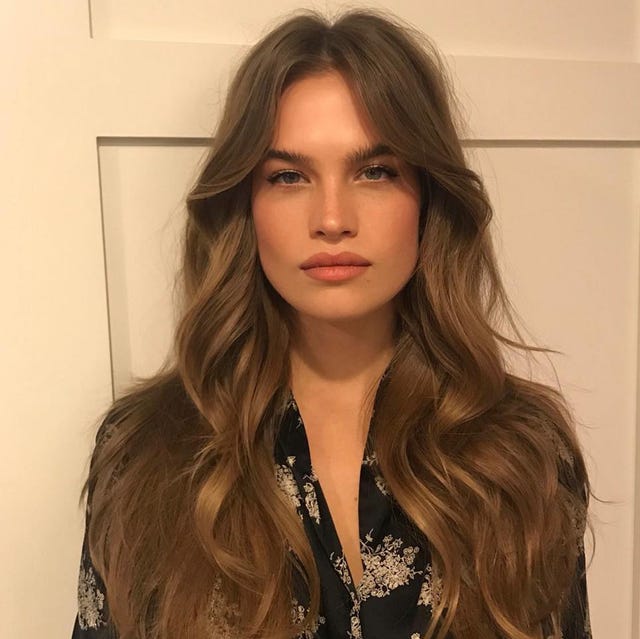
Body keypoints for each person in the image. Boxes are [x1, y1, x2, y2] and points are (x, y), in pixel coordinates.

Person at [71, 7, 592, 639]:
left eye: (375, 171)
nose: (332, 217)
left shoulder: (522, 456)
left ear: (427, 198)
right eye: (289, 176)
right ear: (245, 205)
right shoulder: (144, 455)